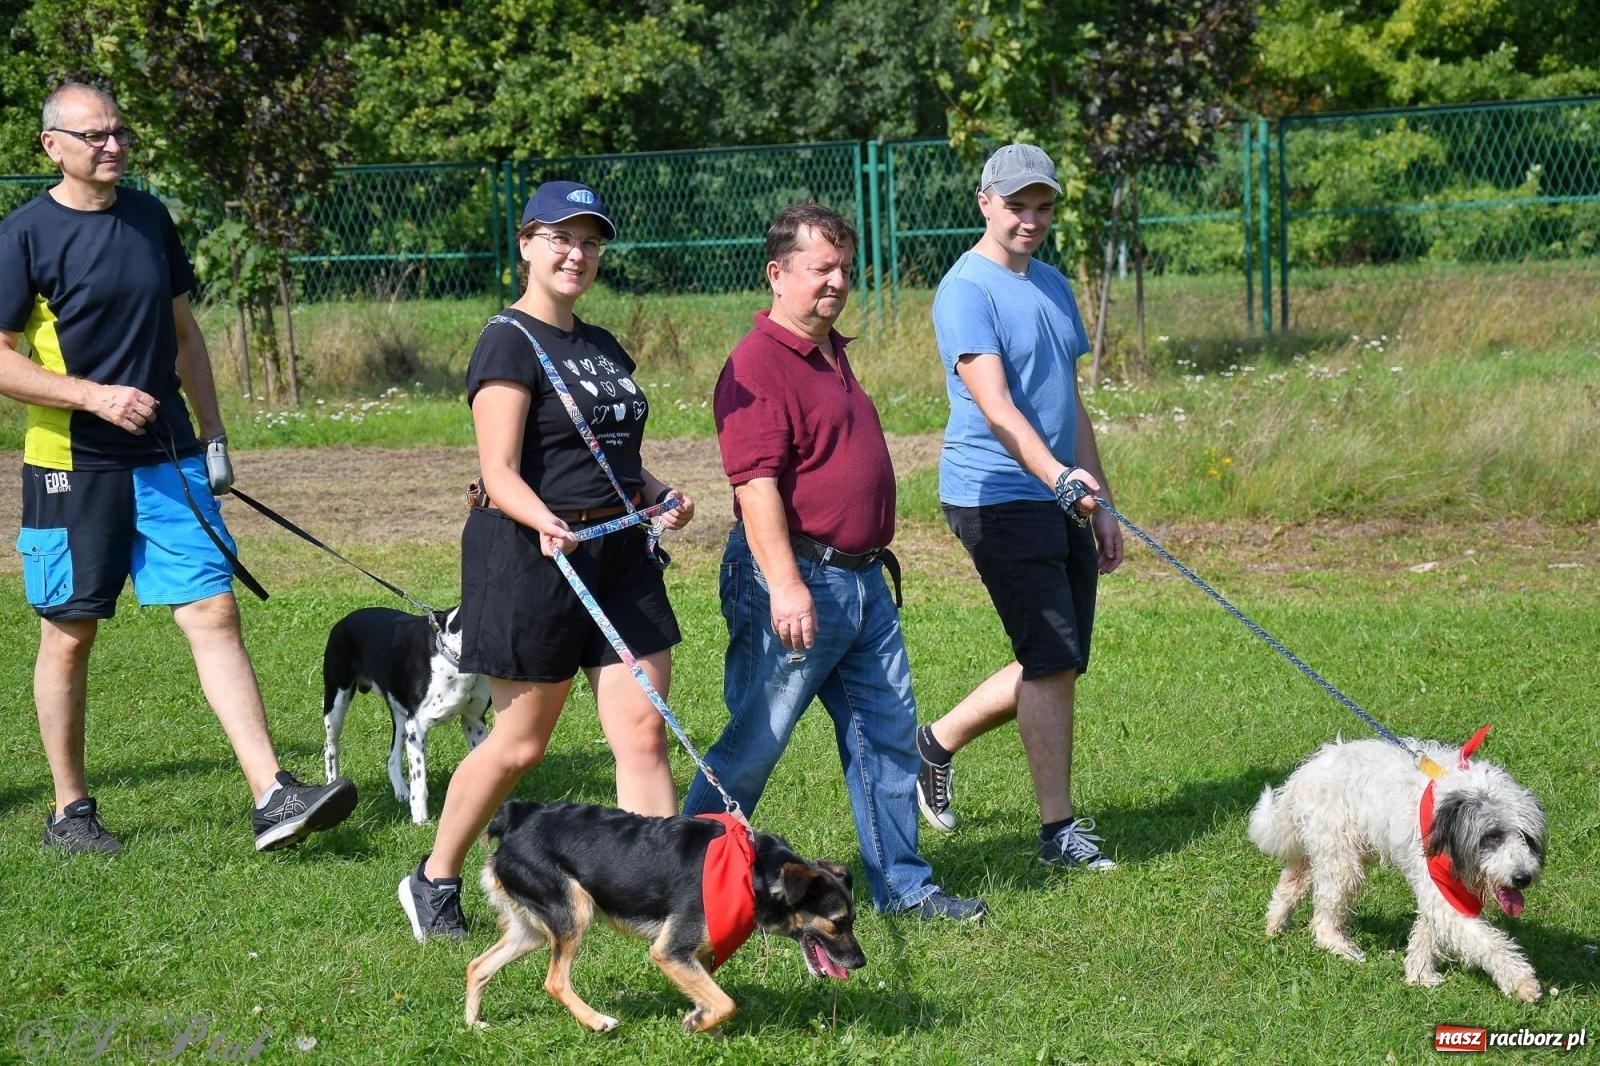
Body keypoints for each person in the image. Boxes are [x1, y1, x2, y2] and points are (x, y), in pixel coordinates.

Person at [0, 82, 357, 854]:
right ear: (51, 146)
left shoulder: (149, 218)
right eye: (93, 135)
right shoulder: (23, 235)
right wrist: (92, 397)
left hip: (168, 460)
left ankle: (271, 794)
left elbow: (184, 334)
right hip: (72, 465)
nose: (112, 146)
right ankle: (70, 812)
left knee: (213, 610)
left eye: (120, 132)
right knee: (71, 632)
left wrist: (215, 437)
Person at [399, 180, 696, 941]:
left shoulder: (600, 344)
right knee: (522, 743)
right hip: (533, 558)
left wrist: (660, 495)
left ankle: (665, 902)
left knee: (643, 734)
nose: (577, 253)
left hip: (620, 555)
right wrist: (548, 522)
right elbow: (498, 469)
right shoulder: (507, 340)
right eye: (561, 237)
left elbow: (616, 455)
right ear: (528, 243)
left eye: (591, 241)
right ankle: (433, 877)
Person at [681, 201, 985, 922]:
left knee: (885, 735)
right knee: (756, 739)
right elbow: (755, 489)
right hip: (798, 579)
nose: (837, 282)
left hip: (863, 581)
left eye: (844, 268)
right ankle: (686, 883)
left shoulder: (828, 350)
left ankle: (903, 888)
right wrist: (786, 586)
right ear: (777, 274)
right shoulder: (756, 365)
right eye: (822, 269)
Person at [914, 143, 1126, 871]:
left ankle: (934, 743)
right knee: (1051, 658)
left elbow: (1069, 403)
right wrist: (1057, 478)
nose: (1030, 220)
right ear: (985, 203)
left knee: (1058, 660)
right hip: (997, 496)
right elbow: (999, 409)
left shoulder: (1053, 284)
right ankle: (1057, 832)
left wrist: (1099, 497)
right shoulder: (965, 290)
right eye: (1016, 205)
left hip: (1058, 492)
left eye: (1042, 207)